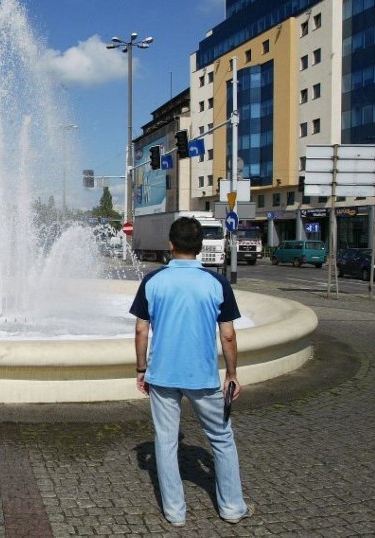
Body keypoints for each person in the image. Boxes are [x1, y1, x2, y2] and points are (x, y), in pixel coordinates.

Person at [129, 216, 253, 527]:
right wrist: (232, 374)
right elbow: (227, 335)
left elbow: (141, 330)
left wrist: (142, 368)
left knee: (166, 440)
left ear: (170, 245)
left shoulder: (152, 281)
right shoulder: (217, 283)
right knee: (222, 438)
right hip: (203, 377)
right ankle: (232, 508)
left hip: (162, 374)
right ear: (198, 247)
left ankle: (175, 512)